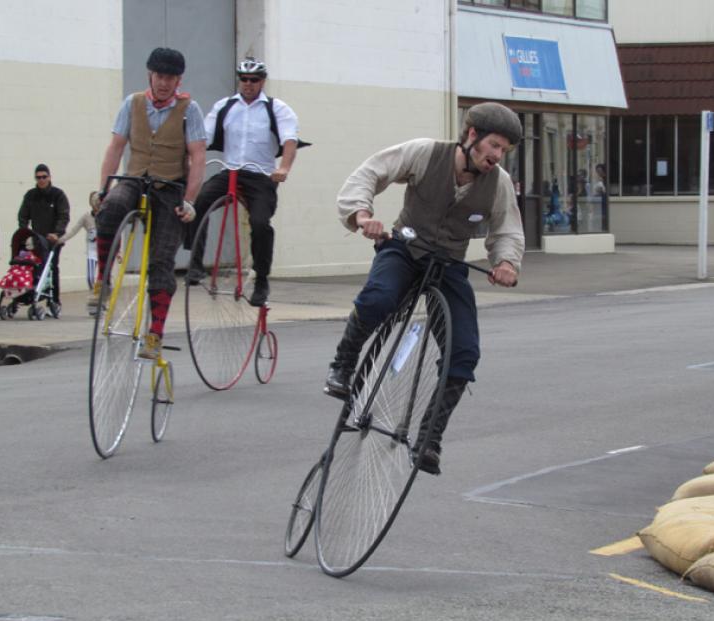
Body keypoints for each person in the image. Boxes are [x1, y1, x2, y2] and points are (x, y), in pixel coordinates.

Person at [324, 102, 525, 475]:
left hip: (449, 265)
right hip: (405, 249)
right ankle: (343, 364)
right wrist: (362, 215)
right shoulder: (425, 152)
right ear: (471, 136)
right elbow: (371, 173)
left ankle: (430, 439)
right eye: (494, 146)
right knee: (378, 299)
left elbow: (508, 229)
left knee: (464, 353)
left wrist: (506, 262)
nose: (497, 157)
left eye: (504, 151)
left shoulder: (498, 184)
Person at [88, 47, 207, 359]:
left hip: (169, 187)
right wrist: (103, 189)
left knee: (161, 260)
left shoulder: (189, 109)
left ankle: (155, 333)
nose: (164, 82)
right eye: (159, 75)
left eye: (170, 77)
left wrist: (190, 200)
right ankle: (103, 279)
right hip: (135, 178)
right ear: (149, 75)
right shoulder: (133, 103)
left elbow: (197, 158)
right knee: (111, 207)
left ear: (178, 79)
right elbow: (115, 148)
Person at [187, 56, 299, 306]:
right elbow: (201, 139)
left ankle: (261, 279)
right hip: (230, 171)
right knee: (197, 204)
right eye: (244, 79)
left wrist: (284, 168)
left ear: (262, 81)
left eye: (254, 80)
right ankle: (194, 263)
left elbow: (290, 141)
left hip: (260, 176)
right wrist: (191, 162)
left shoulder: (277, 108)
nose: (248, 84)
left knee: (260, 223)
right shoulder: (225, 106)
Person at [18, 163, 70, 309]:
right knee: (34, 266)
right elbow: (23, 215)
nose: (41, 180)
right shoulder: (30, 195)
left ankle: (54, 299)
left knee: (52, 267)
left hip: (53, 240)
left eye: (44, 177)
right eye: (38, 177)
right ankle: (35, 293)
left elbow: (63, 216)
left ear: (49, 177)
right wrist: (25, 232)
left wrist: (57, 233)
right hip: (37, 240)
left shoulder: (58, 195)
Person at [58, 192, 100, 289]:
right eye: (94, 203)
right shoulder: (86, 217)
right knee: (90, 278)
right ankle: (94, 294)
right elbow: (74, 230)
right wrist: (60, 240)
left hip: (104, 250)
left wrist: (118, 252)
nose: (97, 206)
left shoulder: (106, 216)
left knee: (104, 278)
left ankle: (104, 298)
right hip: (92, 251)